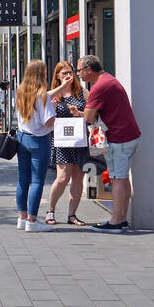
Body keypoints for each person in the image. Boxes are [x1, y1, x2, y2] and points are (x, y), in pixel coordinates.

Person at [80, 55, 141, 231]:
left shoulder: (99, 86)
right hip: (128, 136)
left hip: (119, 138)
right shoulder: (109, 80)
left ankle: (116, 221)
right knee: (122, 178)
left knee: (117, 179)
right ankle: (122, 217)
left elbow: (89, 116)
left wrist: (85, 111)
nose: (79, 75)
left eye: (80, 71)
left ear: (89, 70)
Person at [44, 61, 90, 227]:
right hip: (62, 141)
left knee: (78, 178)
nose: (68, 75)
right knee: (63, 177)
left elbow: (92, 113)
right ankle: (50, 210)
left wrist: (79, 113)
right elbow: (44, 101)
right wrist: (61, 88)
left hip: (80, 140)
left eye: (70, 72)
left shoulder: (81, 92)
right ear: (57, 75)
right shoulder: (56, 94)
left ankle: (72, 214)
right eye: (64, 73)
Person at [14, 60, 56, 233]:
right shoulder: (42, 94)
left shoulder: (20, 92)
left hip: (22, 138)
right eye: (45, 71)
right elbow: (48, 121)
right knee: (38, 180)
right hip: (39, 139)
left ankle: (22, 218)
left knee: (23, 180)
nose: (47, 74)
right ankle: (32, 220)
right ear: (40, 74)